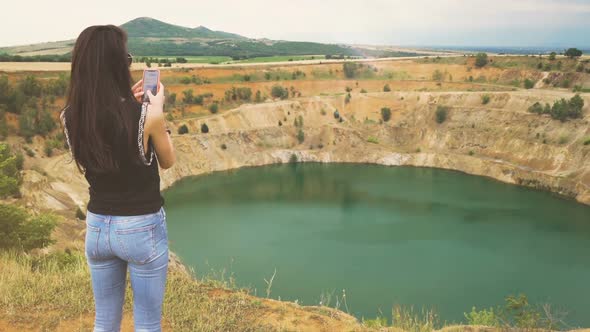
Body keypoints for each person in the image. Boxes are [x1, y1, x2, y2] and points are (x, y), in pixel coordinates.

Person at [59, 24, 175, 332]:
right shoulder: (147, 115)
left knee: (104, 321)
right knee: (148, 323)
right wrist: (156, 110)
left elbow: (104, 142)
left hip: (97, 228)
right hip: (140, 228)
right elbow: (168, 160)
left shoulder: (71, 116)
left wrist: (134, 106)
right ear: (117, 64)